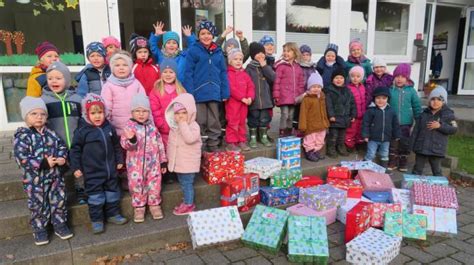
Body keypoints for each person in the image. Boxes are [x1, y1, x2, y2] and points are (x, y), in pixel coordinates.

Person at [14, 96, 73, 245]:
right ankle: (40, 229)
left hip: (55, 178)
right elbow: (21, 158)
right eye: (34, 114)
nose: (39, 117)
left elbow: (61, 147)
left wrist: (61, 158)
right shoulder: (23, 136)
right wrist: (42, 162)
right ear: (25, 116)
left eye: (42, 114)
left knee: (58, 200)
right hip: (34, 181)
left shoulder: (51, 134)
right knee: (38, 205)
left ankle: (59, 223)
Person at [70, 93, 128, 234]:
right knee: (95, 197)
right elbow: (75, 150)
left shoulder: (109, 127)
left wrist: (120, 160)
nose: (97, 116)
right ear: (86, 113)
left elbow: (116, 146)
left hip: (110, 170)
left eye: (100, 112)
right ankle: (97, 220)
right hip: (92, 172)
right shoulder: (82, 131)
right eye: (93, 113)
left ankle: (113, 214)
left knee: (113, 193)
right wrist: (76, 167)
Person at [41, 61, 85, 204]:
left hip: (75, 141)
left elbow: (83, 118)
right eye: (50, 78)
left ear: (66, 79)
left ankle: (81, 190)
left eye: (58, 78)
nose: (54, 81)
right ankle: (61, 193)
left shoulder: (76, 99)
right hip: (55, 144)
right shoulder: (44, 101)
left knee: (78, 167)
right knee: (59, 170)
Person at [183, 20, 230, 152]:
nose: (206, 36)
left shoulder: (218, 52)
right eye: (202, 33)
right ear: (198, 35)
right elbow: (188, 73)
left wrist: (225, 92)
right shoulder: (194, 50)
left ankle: (213, 144)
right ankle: (201, 145)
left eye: (208, 33)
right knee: (201, 120)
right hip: (199, 93)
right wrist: (190, 93)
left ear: (213, 35)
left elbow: (223, 73)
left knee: (214, 121)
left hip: (215, 92)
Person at [121, 93, 167, 223]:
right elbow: (125, 145)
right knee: (137, 185)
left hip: (153, 164)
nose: (141, 114)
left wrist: (163, 162)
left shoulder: (152, 128)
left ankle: (154, 204)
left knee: (155, 184)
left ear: (149, 112)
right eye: (137, 111)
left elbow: (160, 145)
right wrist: (132, 139)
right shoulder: (129, 127)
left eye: (144, 111)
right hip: (135, 166)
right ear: (132, 112)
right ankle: (139, 207)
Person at [165, 93, 202, 215]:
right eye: (177, 113)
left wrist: (182, 124)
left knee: (187, 184)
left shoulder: (193, 126)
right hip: (180, 162)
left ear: (190, 112)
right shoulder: (174, 127)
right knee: (183, 183)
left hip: (188, 163)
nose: (180, 116)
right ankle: (187, 200)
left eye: (183, 113)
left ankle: (189, 204)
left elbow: (190, 139)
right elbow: (171, 145)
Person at [411, 86, 457, 176]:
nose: (435, 102)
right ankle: (413, 187)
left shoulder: (448, 115)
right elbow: (416, 130)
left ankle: (439, 188)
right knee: (417, 169)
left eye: (439, 99)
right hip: (421, 147)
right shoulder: (423, 114)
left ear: (443, 102)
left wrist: (440, 126)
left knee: (437, 171)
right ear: (429, 101)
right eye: (433, 99)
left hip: (437, 148)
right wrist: (412, 145)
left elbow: (454, 129)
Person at [101, 51, 146, 137]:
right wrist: (108, 128)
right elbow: (106, 109)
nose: (121, 68)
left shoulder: (136, 84)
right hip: (116, 131)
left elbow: (145, 106)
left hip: (137, 130)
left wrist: (150, 124)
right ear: (112, 68)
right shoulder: (108, 86)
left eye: (125, 65)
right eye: (117, 65)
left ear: (130, 67)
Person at [388, 63, 422, 172]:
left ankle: (403, 163)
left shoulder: (411, 91)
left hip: (406, 123)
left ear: (407, 78)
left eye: (403, 77)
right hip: (392, 122)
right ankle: (392, 161)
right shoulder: (390, 90)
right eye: (397, 76)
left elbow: (416, 106)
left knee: (404, 143)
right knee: (393, 143)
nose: (399, 79)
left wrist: (419, 120)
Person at [150, 58, 186, 149]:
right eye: (165, 72)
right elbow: (155, 110)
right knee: (166, 153)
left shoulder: (181, 90)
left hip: (178, 129)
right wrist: (162, 125)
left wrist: (181, 124)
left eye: (171, 72)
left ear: (175, 74)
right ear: (161, 74)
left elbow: (186, 108)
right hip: (163, 130)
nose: (168, 75)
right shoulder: (156, 90)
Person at [362, 87, 400, 168]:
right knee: (371, 154)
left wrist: (397, 134)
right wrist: (365, 135)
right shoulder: (370, 110)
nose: (381, 100)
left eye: (384, 98)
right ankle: (365, 167)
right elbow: (365, 123)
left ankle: (383, 169)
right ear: (374, 99)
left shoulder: (391, 111)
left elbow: (395, 124)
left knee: (384, 154)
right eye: (378, 98)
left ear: (387, 99)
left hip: (386, 138)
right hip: (373, 138)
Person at [273, 42, 305, 137]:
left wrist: (300, 95)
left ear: (295, 53)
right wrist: (276, 95)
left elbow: (300, 83)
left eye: (288, 51)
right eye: (284, 51)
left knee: (291, 115)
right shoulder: (281, 66)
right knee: (285, 114)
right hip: (283, 96)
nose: (286, 53)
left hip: (294, 97)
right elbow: (277, 82)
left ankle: (289, 131)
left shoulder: (298, 67)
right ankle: (282, 131)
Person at [225, 49, 255, 152]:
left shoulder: (245, 74)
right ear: (230, 61)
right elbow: (231, 88)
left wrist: (250, 97)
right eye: (235, 59)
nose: (238, 61)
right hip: (233, 103)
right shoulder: (228, 74)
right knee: (233, 122)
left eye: (240, 59)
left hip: (244, 103)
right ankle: (231, 142)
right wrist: (242, 98)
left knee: (242, 122)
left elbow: (251, 86)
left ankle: (241, 140)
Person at [245, 42, 274, 148]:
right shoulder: (249, 68)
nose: (261, 55)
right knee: (253, 119)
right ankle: (253, 137)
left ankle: (263, 136)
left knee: (264, 119)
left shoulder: (267, 66)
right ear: (253, 55)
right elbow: (246, 84)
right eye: (258, 53)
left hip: (266, 100)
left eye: (262, 53)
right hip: (254, 100)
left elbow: (273, 78)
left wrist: (265, 66)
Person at [325, 67, 357, 158]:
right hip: (335, 118)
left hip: (345, 118)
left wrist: (353, 114)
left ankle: (341, 147)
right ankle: (331, 149)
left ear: (344, 79)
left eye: (341, 78)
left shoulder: (347, 90)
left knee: (342, 136)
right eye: (336, 78)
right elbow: (328, 104)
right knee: (333, 135)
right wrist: (331, 115)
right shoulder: (329, 91)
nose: (339, 80)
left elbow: (352, 103)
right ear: (332, 80)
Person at [299, 72, 329, 162]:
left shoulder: (322, 98)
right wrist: (302, 125)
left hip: (321, 124)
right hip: (311, 124)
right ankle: (310, 151)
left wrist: (326, 122)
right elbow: (303, 113)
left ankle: (316, 150)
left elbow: (324, 111)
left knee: (320, 139)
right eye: (314, 87)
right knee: (310, 139)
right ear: (309, 87)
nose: (316, 89)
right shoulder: (307, 99)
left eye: (319, 87)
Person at [345, 66, 367, 153]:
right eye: (353, 76)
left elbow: (365, 99)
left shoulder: (363, 87)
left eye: (358, 76)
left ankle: (359, 144)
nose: (355, 78)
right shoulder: (348, 88)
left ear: (361, 78)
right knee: (351, 131)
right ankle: (349, 145)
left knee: (360, 130)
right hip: (353, 115)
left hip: (362, 114)